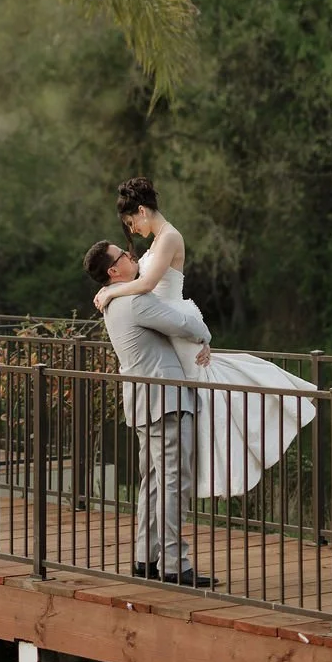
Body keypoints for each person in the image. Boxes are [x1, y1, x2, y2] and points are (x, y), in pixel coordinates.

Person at [93, 177, 317, 497]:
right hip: (166, 325)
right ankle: (192, 479)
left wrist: (110, 292)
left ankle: (228, 461)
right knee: (200, 398)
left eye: (132, 223)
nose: (133, 231)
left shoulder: (170, 237)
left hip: (176, 324)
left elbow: (144, 286)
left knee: (207, 395)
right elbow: (142, 290)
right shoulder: (155, 243)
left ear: (142, 211)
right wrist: (111, 290)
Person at [83, 238, 213, 587]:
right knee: (174, 482)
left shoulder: (113, 303)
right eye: (123, 255)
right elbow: (183, 325)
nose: (130, 255)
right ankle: (174, 564)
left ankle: (145, 558)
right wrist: (206, 333)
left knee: (153, 484)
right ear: (114, 271)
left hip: (144, 400)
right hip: (165, 400)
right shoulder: (134, 301)